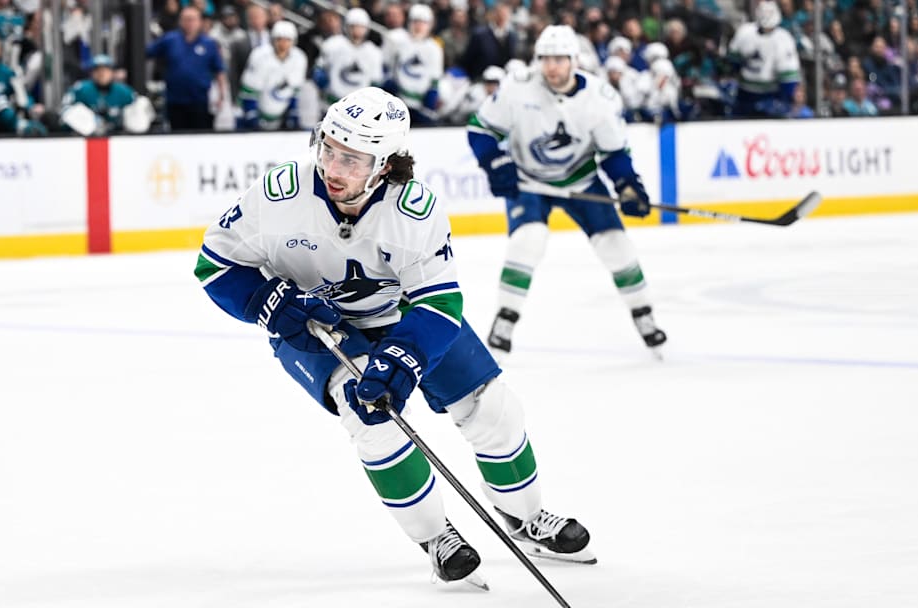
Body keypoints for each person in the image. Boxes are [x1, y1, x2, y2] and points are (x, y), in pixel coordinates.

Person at [194, 87, 594, 586]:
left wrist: (404, 357)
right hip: (314, 328)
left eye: (353, 160)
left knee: (494, 408)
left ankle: (526, 516)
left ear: (385, 164)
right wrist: (269, 302)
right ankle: (436, 537)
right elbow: (215, 264)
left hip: (398, 315)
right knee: (372, 418)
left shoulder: (414, 210)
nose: (333, 168)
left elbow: (439, 303)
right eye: (329, 149)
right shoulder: (278, 194)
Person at [467, 25, 667, 358]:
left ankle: (644, 314)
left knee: (616, 246)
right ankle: (505, 319)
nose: (552, 67)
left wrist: (627, 185)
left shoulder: (600, 98)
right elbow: (480, 129)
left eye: (559, 59)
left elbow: (614, 154)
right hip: (529, 181)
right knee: (527, 241)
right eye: (545, 59)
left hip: (581, 180)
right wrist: (494, 162)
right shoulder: (518, 87)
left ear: (574, 60)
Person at [146, 5, 227, 130]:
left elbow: (219, 71)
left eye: (192, 19)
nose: (189, 23)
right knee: (177, 134)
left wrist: (222, 96)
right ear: (180, 21)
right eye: (186, 19)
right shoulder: (169, 40)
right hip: (175, 100)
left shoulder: (209, 44)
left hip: (200, 101)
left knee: (201, 133)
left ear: (200, 22)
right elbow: (146, 53)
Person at [727, 0, 801, 118]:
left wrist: (785, 99)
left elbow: (788, 78)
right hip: (746, 92)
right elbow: (732, 62)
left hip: (770, 94)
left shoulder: (783, 38)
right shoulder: (746, 32)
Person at [238, 20, 306, 131]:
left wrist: (292, 112)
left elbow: (294, 89)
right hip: (257, 114)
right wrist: (251, 114)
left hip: (280, 117)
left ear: (294, 41)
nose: (283, 44)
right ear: (273, 40)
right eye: (279, 39)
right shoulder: (259, 56)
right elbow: (249, 90)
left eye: (287, 40)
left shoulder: (299, 58)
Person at [60, 54, 152, 135]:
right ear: (92, 73)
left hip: (119, 133)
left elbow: (139, 107)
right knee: (73, 111)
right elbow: (65, 110)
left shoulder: (123, 90)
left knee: (141, 102)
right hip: (87, 135)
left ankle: (140, 138)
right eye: (98, 70)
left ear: (112, 73)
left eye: (105, 70)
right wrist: (92, 120)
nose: (102, 74)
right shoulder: (81, 88)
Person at [385, 3, 443, 125]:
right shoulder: (397, 39)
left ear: (430, 25)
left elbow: (435, 79)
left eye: (423, 23)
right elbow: (386, 67)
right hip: (397, 101)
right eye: (416, 22)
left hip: (421, 105)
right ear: (409, 22)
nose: (419, 26)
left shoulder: (434, 48)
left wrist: (429, 102)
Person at [312, 8, 383, 105]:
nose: (357, 30)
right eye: (353, 26)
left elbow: (375, 81)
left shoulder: (373, 51)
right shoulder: (333, 44)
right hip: (332, 100)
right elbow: (319, 69)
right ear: (346, 26)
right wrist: (322, 81)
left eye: (361, 27)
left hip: (358, 105)